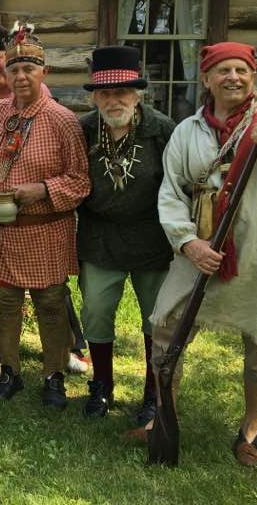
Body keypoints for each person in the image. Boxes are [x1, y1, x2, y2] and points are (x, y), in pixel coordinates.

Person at [139, 42, 257, 465]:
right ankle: (163, 420)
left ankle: (252, 430)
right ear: (206, 79)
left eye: (241, 70)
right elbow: (171, 193)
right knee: (165, 331)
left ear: (252, 77)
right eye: (223, 70)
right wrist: (189, 243)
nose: (233, 77)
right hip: (200, 252)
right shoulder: (187, 131)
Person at [0, 26, 90, 407]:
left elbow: (80, 181)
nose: (21, 76)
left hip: (47, 228)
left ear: (45, 72)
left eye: (29, 68)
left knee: (51, 303)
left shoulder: (63, 120)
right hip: (6, 230)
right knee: (6, 303)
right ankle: (10, 372)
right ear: (5, 75)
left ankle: (53, 376)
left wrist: (41, 189)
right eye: (14, 70)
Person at [76, 46, 176, 422]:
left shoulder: (161, 130)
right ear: (95, 97)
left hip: (152, 236)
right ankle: (102, 385)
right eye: (105, 93)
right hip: (100, 236)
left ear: (137, 94)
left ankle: (153, 393)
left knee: (156, 319)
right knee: (96, 311)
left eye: (122, 92)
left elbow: (179, 185)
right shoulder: (84, 130)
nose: (113, 100)